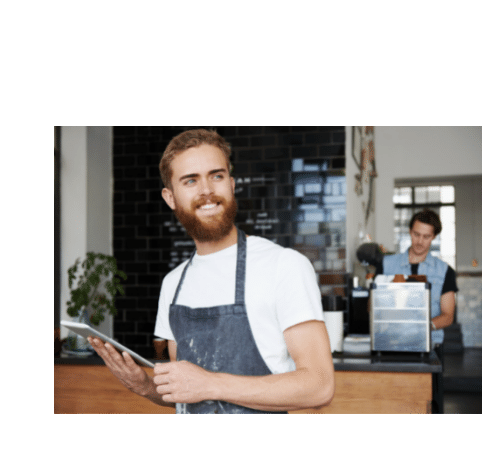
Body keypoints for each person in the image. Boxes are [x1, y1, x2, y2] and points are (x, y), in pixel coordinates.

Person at [89, 129, 335, 414]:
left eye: (216, 176)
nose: (206, 190)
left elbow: (319, 385)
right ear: (170, 198)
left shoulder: (284, 266)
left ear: (231, 184)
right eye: (190, 180)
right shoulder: (174, 284)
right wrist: (144, 385)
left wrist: (211, 384)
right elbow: (187, 392)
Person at [379, 209, 458, 351]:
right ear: (410, 231)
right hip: (390, 344)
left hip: (431, 346)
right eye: (416, 234)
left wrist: (422, 327)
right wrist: (387, 290)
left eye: (426, 236)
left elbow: (448, 316)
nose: (420, 241)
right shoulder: (387, 264)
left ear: (434, 236)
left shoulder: (445, 271)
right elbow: (371, 308)